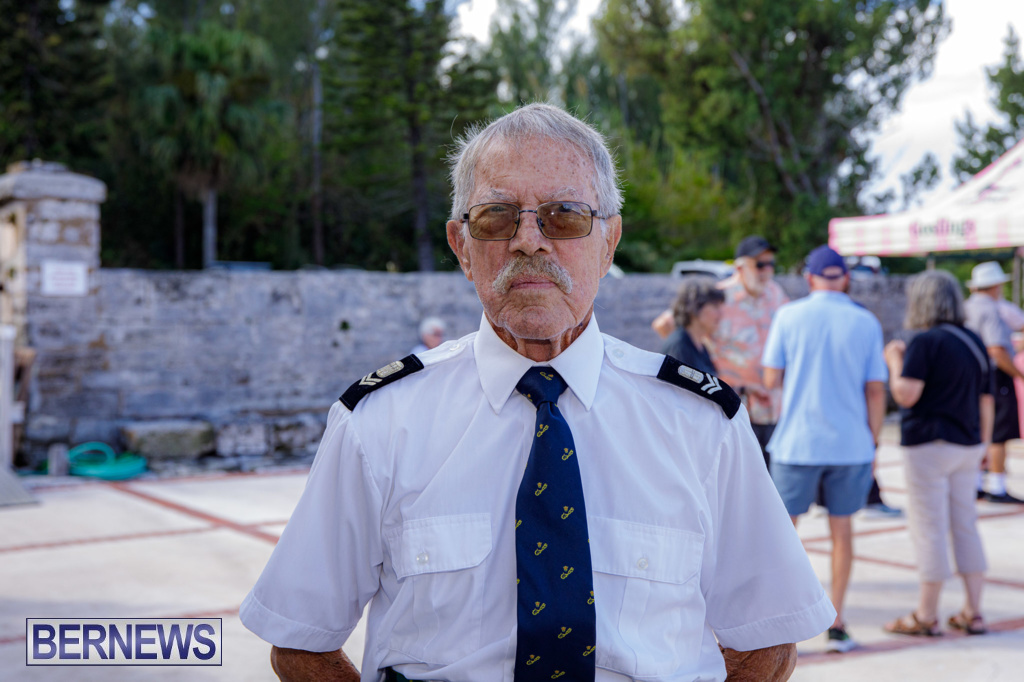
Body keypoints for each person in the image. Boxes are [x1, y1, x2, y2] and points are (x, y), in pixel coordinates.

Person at [240, 103, 835, 681]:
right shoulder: (378, 423)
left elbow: (768, 639)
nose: (529, 240)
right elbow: (299, 642)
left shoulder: (702, 424)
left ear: (609, 242)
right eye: (496, 217)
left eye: (565, 215)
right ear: (461, 246)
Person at [761, 245, 888, 653]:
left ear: (810, 277)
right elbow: (875, 389)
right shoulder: (865, 321)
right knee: (842, 532)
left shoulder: (789, 315)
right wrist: (874, 440)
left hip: (798, 441)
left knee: (783, 534)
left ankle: (779, 620)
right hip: (851, 444)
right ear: (845, 278)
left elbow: (771, 378)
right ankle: (837, 623)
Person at [882, 270, 993, 637]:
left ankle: (926, 613)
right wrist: (983, 445)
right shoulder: (973, 340)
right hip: (968, 443)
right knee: (965, 525)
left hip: (929, 445)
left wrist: (894, 360)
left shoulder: (924, 342)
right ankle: (973, 611)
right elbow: (986, 399)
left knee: (929, 528)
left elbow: (906, 394)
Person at [651, 236, 788, 468]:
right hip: (733, 407)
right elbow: (665, 325)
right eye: (760, 264)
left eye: (771, 264)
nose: (767, 271)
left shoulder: (776, 294)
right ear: (740, 267)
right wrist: (692, 357)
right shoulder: (719, 296)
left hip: (772, 406)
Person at [963, 261, 1024, 504]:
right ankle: (997, 486)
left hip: (970, 374)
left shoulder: (966, 307)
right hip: (994, 375)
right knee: (999, 431)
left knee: (980, 427)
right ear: (996, 285)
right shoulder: (991, 310)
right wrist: (1019, 374)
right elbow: (996, 350)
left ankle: (977, 483)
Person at [660, 275, 724, 375]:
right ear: (696, 307)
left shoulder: (701, 346)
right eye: (715, 306)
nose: (720, 314)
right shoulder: (679, 346)